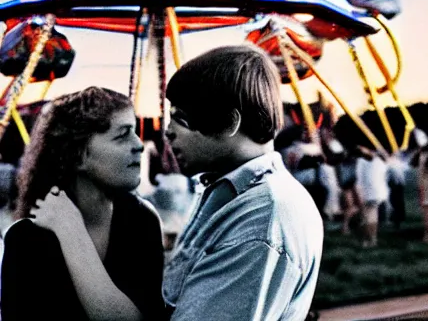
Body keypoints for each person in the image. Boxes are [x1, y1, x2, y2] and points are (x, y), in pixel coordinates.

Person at [163, 45, 324, 321]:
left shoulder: (262, 219)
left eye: (180, 119)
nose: (168, 132)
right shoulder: (230, 193)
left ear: (228, 122)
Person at [1, 86, 166, 321]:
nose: (139, 145)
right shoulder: (26, 239)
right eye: (122, 135)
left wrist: (71, 230)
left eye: (135, 132)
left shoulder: (141, 221)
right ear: (78, 155)